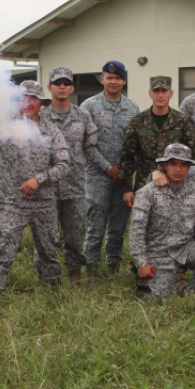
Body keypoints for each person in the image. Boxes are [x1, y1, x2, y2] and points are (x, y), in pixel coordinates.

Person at [0, 81, 71, 293]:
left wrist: (39, 179)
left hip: (44, 203)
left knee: (49, 251)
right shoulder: (5, 128)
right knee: (1, 250)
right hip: (12, 201)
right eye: (23, 98)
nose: (28, 103)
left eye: (33, 99)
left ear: (41, 103)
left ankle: (54, 297)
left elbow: (64, 165)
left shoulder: (52, 132)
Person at [129, 144, 195, 298]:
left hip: (185, 250)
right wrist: (141, 263)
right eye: (173, 164)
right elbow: (136, 230)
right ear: (165, 165)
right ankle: (178, 288)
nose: (178, 169)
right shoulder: (147, 193)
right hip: (159, 253)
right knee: (159, 300)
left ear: (189, 167)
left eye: (183, 165)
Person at [81, 60, 139, 277]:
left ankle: (113, 270)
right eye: (109, 77)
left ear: (123, 81)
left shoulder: (132, 108)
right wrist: (107, 168)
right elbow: (86, 143)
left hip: (124, 178)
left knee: (118, 227)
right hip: (97, 175)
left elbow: (135, 143)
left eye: (118, 78)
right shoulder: (89, 106)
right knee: (95, 227)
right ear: (102, 79)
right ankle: (91, 273)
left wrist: (124, 173)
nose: (113, 81)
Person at [40, 67, 98, 282]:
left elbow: (90, 145)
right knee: (46, 237)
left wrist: (80, 163)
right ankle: (47, 280)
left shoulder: (82, 115)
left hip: (74, 187)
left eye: (66, 83)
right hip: (46, 188)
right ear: (50, 88)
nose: (62, 87)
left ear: (72, 88)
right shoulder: (41, 116)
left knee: (74, 237)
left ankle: (74, 277)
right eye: (57, 83)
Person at [120, 76, 195, 206]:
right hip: (144, 186)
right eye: (156, 91)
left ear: (171, 93)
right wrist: (127, 189)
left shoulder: (182, 122)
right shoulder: (138, 122)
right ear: (150, 94)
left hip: (175, 186)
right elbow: (127, 158)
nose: (160, 95)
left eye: (164, 91)